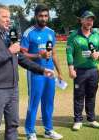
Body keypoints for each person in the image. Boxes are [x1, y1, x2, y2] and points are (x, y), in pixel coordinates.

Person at [0, 5, 54, 140]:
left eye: (9, 17)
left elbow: (21, 58)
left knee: (13, 125)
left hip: (13, 88)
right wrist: (9, 51)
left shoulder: (7, 36)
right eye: (4, 17)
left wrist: (41, 70)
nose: (8, 20)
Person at [20, 4, 63, 140]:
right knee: (34, 102)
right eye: (41, 16)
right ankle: (30, 132)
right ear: (36, 16)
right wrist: (39, 56)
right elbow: (21, 55)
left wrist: (60, 72)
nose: (43, 18)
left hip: (50, 73)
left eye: (46, 16)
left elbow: (54, 54)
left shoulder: (50, 32)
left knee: (48, 102)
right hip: (35, 73)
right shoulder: (29, 33)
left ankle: (48, 130)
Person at [66, 10, 99, 131]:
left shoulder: (97, 35)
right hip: (79, 71)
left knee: (91, 95)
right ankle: (78, 120)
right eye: (87, 19)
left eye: (91, 19)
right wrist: (71, 68)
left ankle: (91, 119)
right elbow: (69, 53)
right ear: (81, 20)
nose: (89, 22)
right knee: (78, 96)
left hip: (93, 70)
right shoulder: (73, 36)